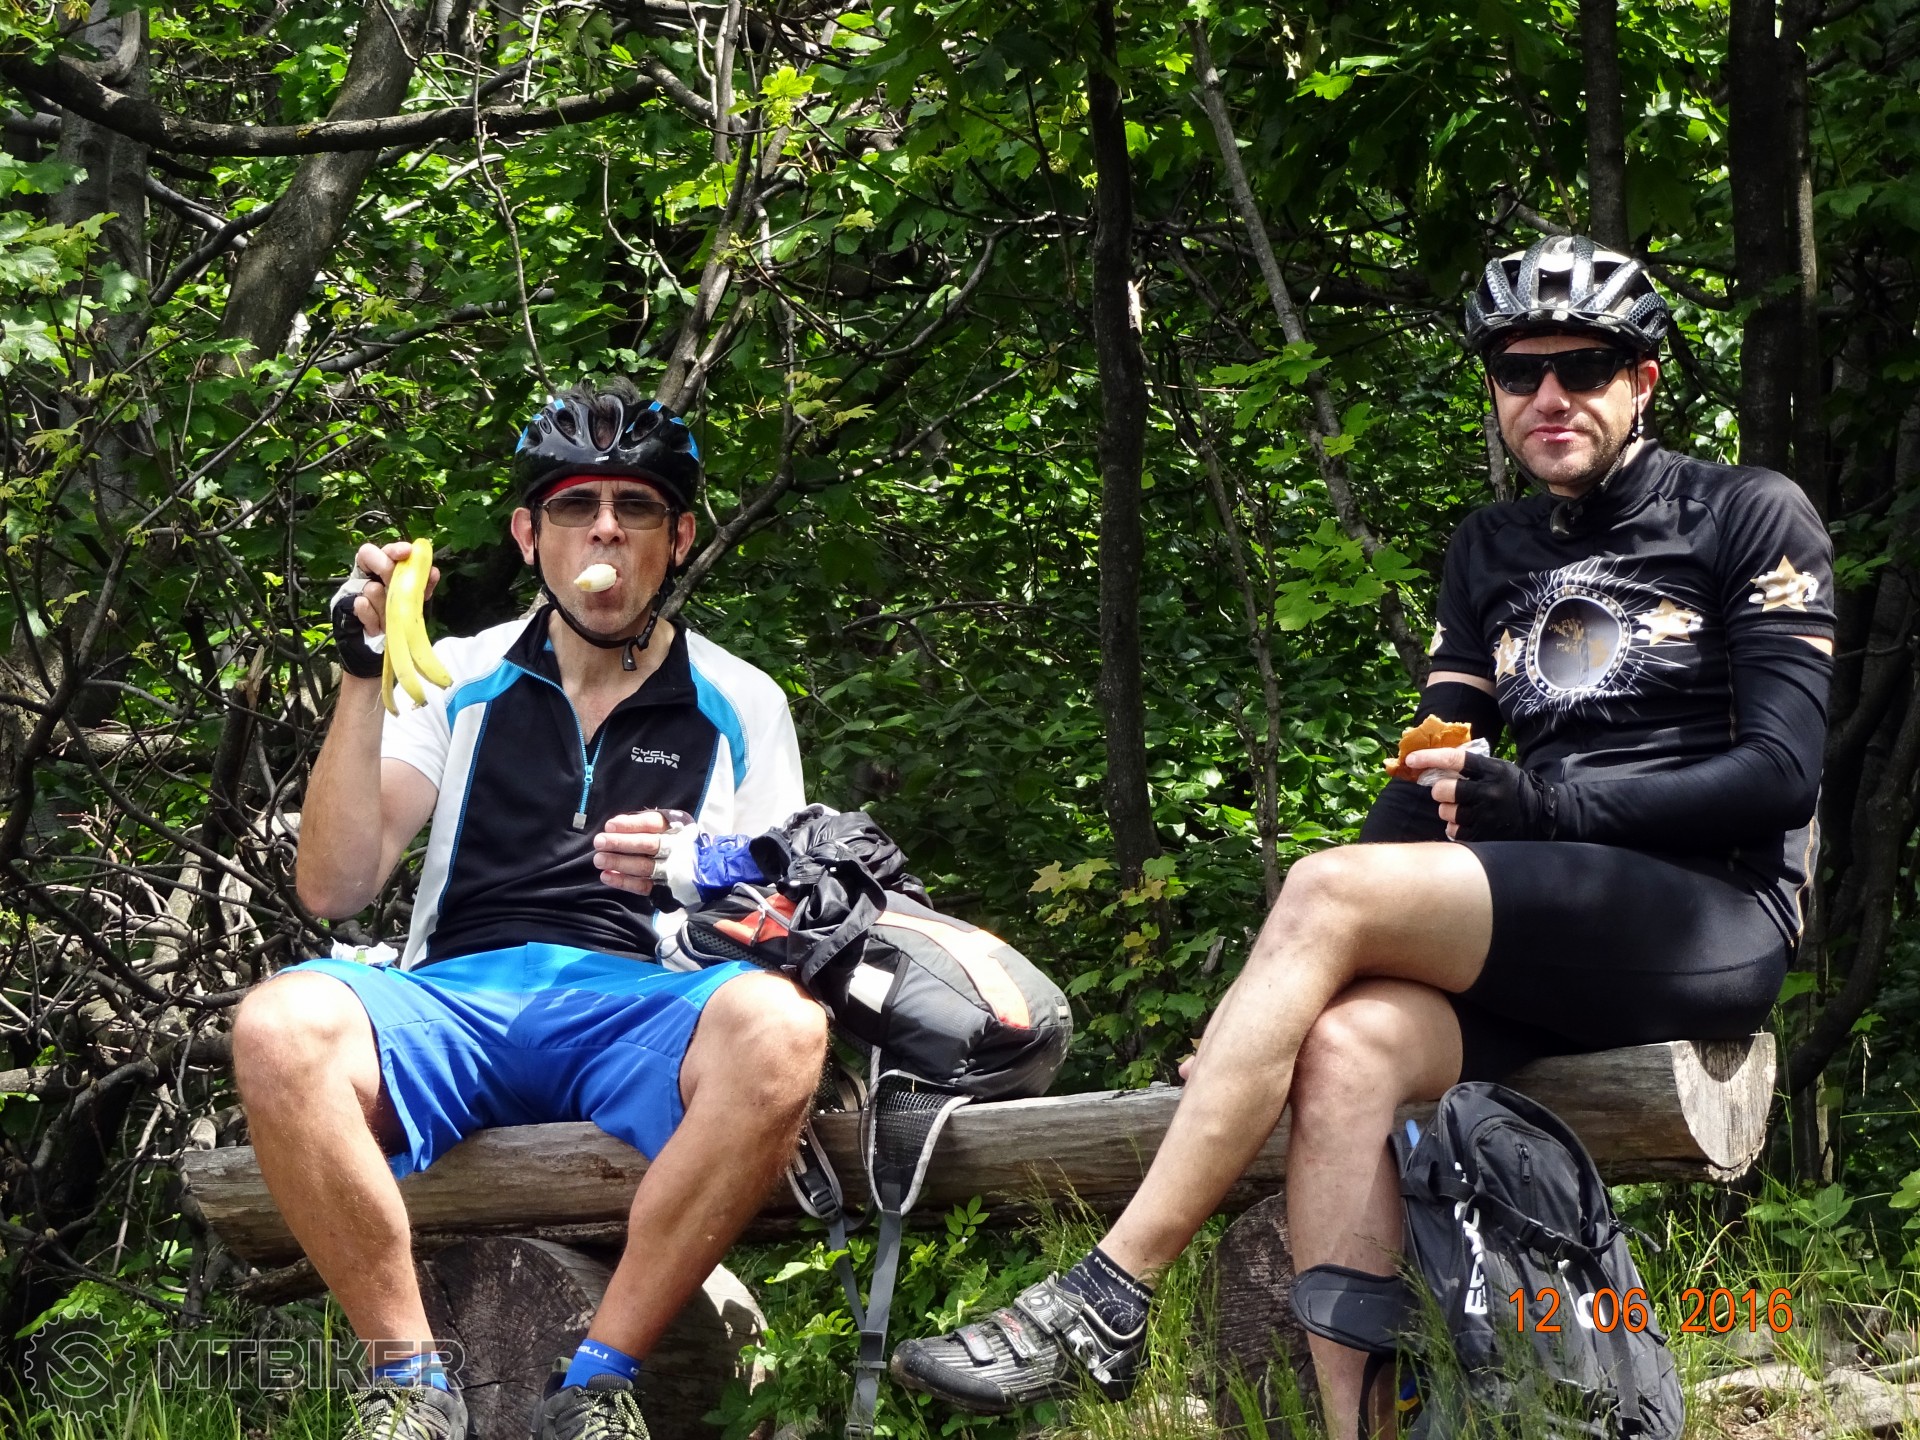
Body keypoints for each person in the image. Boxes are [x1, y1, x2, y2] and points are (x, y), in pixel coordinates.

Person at [889, 235, 1835, 1435]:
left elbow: (1782, 776)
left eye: (1584, 367)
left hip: (1708, 914)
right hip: (1544, 920)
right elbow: (1424, 778)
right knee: (1344, 1050)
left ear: (1643, 381)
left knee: (1331, 891)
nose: (1549, 395)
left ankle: (1108, 1296)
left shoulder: (1746, 512)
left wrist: (1543, 810)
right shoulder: (1491, 550)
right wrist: (1268, 997)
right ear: (1495, 391)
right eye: (1519, 372)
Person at [230, 379, 827, 1440]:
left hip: (641, 1003)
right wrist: (362, 674)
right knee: (278, 1025)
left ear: (679, 538)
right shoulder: (456, 673)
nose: (605, 531)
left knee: (785, 1028)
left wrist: (698, 861)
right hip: (452, 1000)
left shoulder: (740, 697)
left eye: (636, 507)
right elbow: (334, 886)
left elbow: (791, 896)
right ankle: (408, 1382)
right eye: (574, 506)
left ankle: (600, 1383)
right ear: (527, 535)